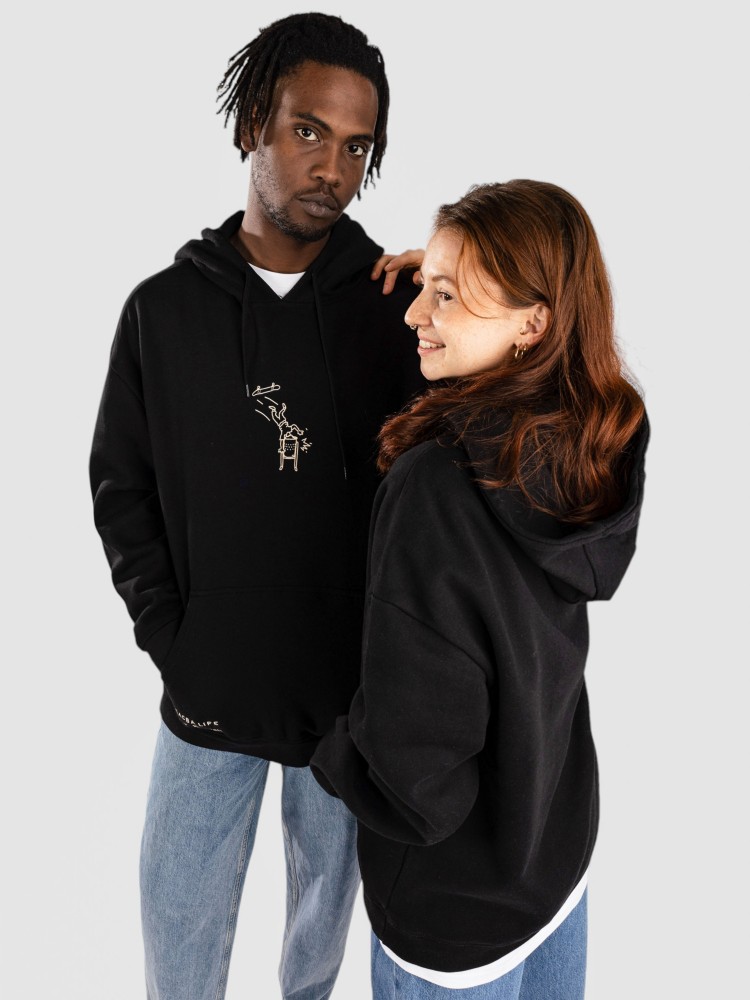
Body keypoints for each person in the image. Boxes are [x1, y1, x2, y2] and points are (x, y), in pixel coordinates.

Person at [89, 13, 424, 1000]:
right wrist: (173, 637)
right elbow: (120, 487)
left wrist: (452, 287)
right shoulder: (164, 310)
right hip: (212, 688)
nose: (332, 167)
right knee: (178, 936)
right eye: (308, 131)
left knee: (318, 944)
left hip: (347, 701)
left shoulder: (397, 313)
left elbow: (454, 477)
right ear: (251, 126)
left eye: (356, 146)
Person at [311, 180, 648, 999]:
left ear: (532, 325)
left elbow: (415, 781)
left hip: (453, 916)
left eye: (446, 295)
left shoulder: (434, 487)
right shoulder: (596, 435)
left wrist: (330, 750)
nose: (412, 313)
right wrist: (453, 291)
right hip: (553, 853)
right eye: (425, 285)